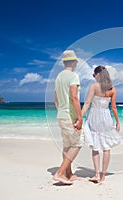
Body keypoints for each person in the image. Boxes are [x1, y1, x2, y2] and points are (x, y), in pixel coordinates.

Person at [82, 66, 123, 183]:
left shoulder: (94, 87)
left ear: (98, 75)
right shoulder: (112, 89)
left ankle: (96, 174)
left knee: (95, 146)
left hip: (94, 116)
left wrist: (79, 117)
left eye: (94, 74)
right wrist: (117, 122)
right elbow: (114, 108)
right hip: (106, 117)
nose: (93, 76)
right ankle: (103, 175)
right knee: (106, 147)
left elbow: (87, 104)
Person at [53, 50, 84, 185]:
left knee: (67, 145)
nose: (77, 62)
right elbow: (74, 97)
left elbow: (56, 99)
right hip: (69, 116)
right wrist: (80, 117)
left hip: (61, 114)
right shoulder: (73, 76)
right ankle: (60, 173)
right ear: (73, 62)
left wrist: (61, 111)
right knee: (77, 143)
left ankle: (69, 173)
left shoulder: (58, 77)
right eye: (76, 60)